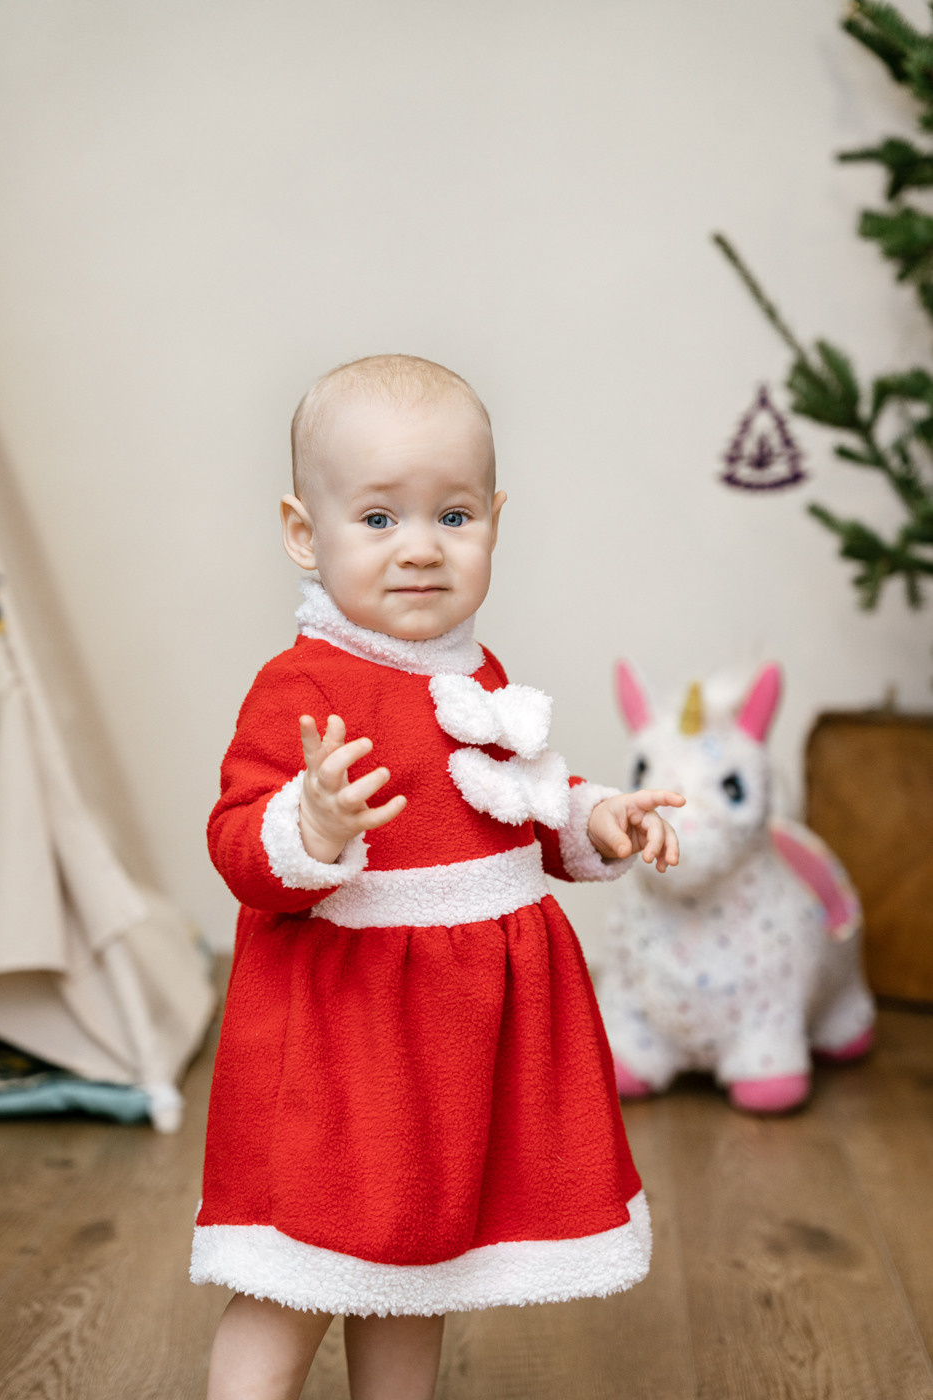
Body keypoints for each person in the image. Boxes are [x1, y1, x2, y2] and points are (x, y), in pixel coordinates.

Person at [191, 354, 684, 1400]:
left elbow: (517, 803)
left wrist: (597, 813)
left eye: (453, 516)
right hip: (345, 1042)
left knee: (415, 1274)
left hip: (453, 1044)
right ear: (302, 533)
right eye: (377, 518)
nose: (420, 547)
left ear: (495, 521)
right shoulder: (302, 686)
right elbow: (241, 845)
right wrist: (310, 822)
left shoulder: (479, 675)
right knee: (294, 1271)